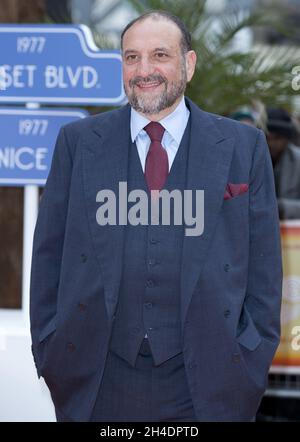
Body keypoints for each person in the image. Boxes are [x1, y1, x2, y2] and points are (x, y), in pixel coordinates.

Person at [30, 10, 282, 422]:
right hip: (96, 380)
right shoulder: (77, 143)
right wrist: (52, 349)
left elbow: (265, 270)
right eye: (131, 58)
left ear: (189, 64)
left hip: (209, 381)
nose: (144, 70)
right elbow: (48, 257)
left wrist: (248, 362)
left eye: (159, 55)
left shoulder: (243, 146)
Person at [266, 107, 300, 219]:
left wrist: (281, 207)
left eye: (277, 138)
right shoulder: (253, 160)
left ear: (287, 138)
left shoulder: (298, 160)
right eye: (267, 138)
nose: (271, 143)